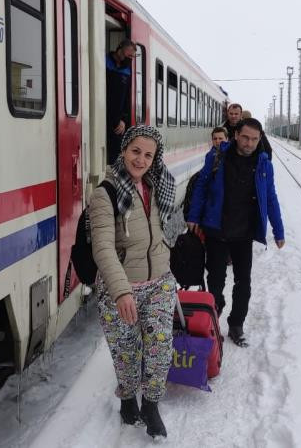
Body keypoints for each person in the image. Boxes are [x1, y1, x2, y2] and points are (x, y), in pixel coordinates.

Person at [91, 125, 185, 438]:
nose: (141, 160)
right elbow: (103, 247)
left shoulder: (159, 186)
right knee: (126, 352)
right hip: (121, 290)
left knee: (160, 347)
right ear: (124, 150)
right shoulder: (105, 194)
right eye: (135, 151)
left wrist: (169, 256)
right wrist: (120, 292)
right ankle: (128, 397)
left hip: (159, 283)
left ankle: (152, 405)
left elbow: (171, 228)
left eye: (148, 155)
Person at [186, 118, 285, 347]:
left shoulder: (263, 164)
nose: (249, 143)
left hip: (244, 233)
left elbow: (270, 197)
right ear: (236, 135)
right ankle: (213, 315)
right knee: (215, 280)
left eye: (254, 139)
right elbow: (201, 186)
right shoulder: (217, 156)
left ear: (260, 139)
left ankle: (236, 324)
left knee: (243, 282)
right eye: (245, 137)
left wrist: (278, 230)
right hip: (216, 230)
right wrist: (193, 216)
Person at [105, 40, 136, 164]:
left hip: (117, 122)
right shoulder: (104, 61)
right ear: (120, 48)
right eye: (129, 55)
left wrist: (124, 119)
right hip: (101, 115)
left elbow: (128, 98)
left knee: (115, 156)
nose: (130, 59)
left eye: (132, 56)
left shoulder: (127, 70)